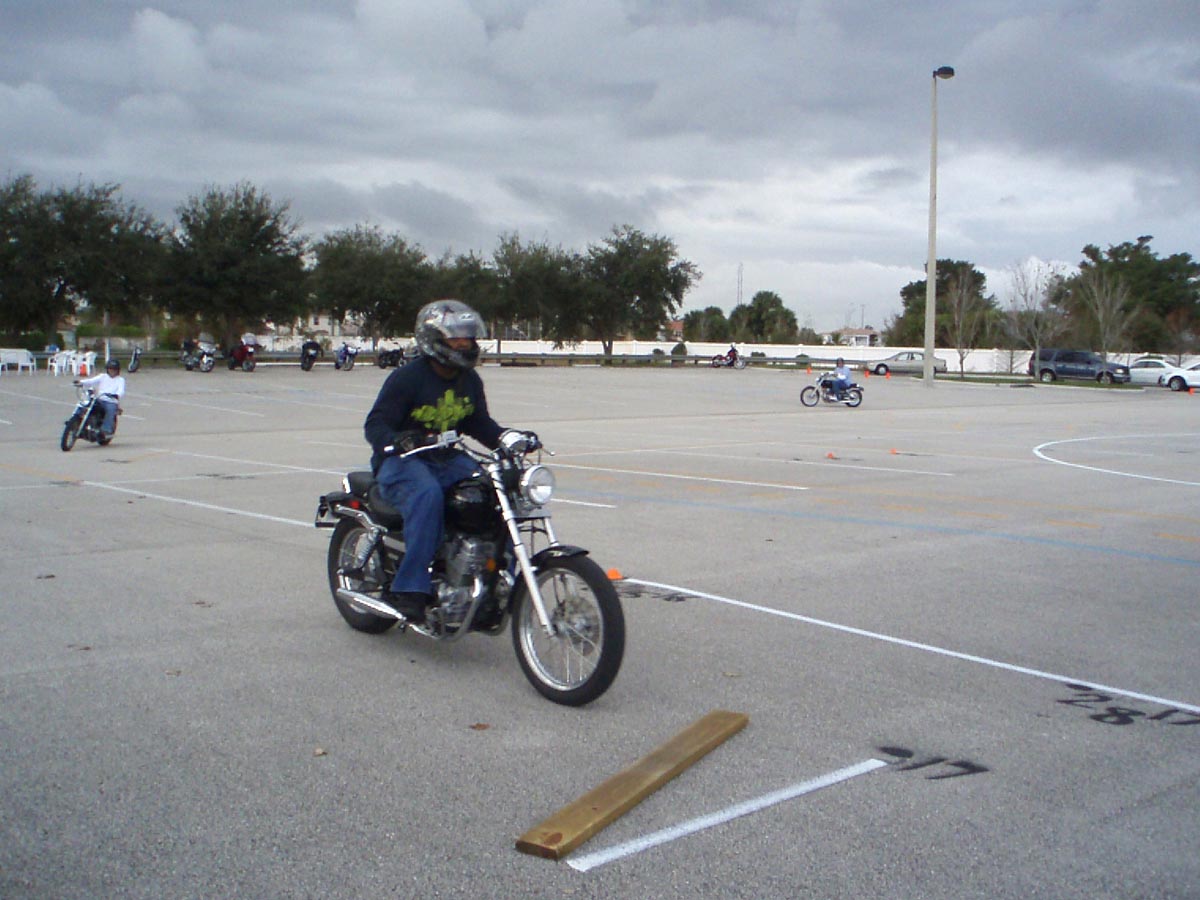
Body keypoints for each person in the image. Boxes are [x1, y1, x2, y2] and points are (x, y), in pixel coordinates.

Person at [364, 299, 530, 624]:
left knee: (495, 492)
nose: (465, 343)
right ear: (433, 339)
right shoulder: (407, 378)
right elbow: (376, 425)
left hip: (445, 458)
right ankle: (410, 589)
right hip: (402, 461)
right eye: (456, 337)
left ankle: (496, 578)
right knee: (427, 495)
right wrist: (397, 440)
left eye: (468, 336)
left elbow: (478, 422)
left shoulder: (469, 380)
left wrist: (508, 438)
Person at [76, 358, 125, 437]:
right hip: (100, 398)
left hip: (111, 401)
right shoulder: (103, 376)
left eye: (114, 369)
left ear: (117, 370)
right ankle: (76, 420)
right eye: (110, 369)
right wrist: (81, 382)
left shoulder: (120, 380)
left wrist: (116, 395)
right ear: (107, 369)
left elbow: (121, 390)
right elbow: (91, 381)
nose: (112, 371)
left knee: (111, 409)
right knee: (85, 404)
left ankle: (106, 429)